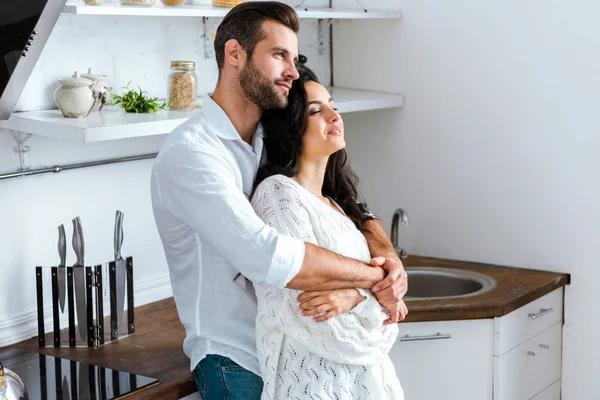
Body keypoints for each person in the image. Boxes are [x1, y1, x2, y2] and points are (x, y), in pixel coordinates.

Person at [150, 2, 408, 399]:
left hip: (289, 352)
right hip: (235, 362)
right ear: (234, 53)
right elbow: (265, 255)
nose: (291, 69)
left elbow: (346, 200)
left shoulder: (264, 140)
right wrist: (375, 279)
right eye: (278, 55)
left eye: (293, 57)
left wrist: (387, 261)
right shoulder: (192, 153)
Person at [250, 64, 404, 399]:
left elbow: (392, 323)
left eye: (333, 105)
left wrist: (357, 297)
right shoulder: (278, 195)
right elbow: (312, 320)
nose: (334, 116)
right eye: (316, 111)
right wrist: (376, 301)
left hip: (370, 385)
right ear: (290, 127)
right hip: (315, 387)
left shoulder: (336, 206)